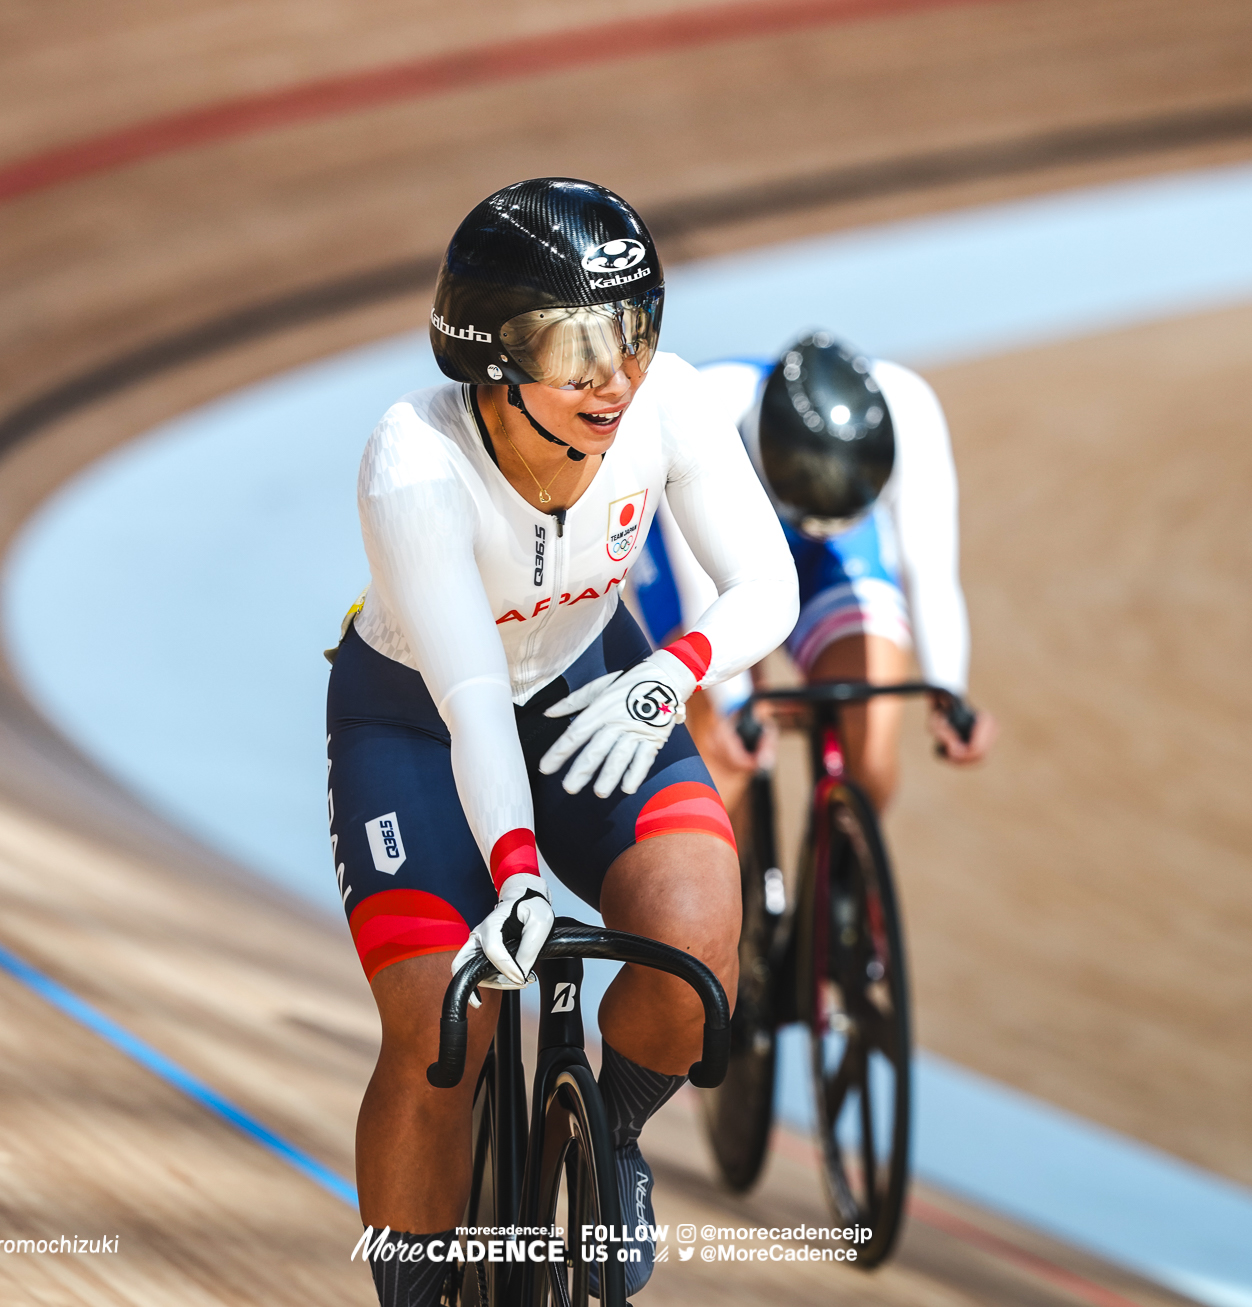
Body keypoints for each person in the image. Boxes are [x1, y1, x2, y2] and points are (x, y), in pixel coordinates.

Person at [326, 177, 797, 1305]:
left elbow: (766, 584)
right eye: (576, 345)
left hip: (596, 683)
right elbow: (474, 698)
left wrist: (665, 679)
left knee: (695, 946)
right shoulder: (414, 461)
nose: (616, 373)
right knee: (449, 1024)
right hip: (420, 714)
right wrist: (519, 872)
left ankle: (615, 1129)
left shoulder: (669, 405)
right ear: (492, 359)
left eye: (634, 329)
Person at [629, 332, 996, 816]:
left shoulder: (908, 406)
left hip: (830, 551)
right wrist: (733, 705)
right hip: (705, 546)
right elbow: (699, 588)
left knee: (871, 744)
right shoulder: (701, 408)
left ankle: (845, 872)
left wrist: (949, 692)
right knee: (724, 761)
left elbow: (929, 575)